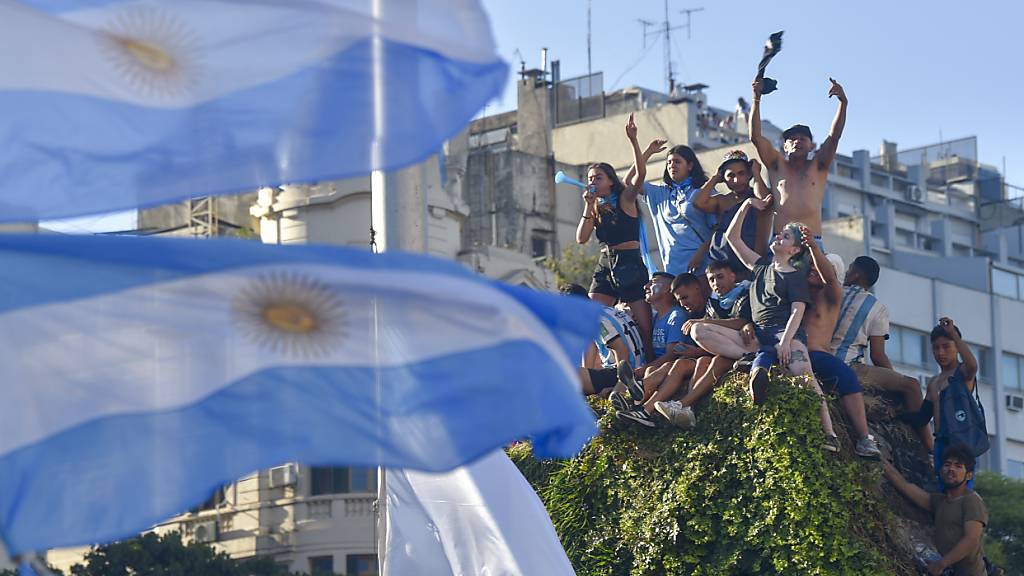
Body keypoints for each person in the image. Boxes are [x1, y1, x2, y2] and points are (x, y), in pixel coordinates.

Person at [725, 198, 839, 451]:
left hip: (785, 335)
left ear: (794, 250)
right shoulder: (760, 266)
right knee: (702, 331)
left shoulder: (795, 274)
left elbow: (798, 309)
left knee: (807, 380)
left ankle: (830, 433)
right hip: (759, 337)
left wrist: (786, 341)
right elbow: (732, 238)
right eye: (779, 234)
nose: (778, 237)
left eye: (785, 237)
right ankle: (754, 360)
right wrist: (746, 206)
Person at [832, 256, 933, 451]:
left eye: (850, 269)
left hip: (821, 358)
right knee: (911, 386)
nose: (846, 273)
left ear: (856, 274)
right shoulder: (877, 308)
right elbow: (878, 356)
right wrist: (894, 381)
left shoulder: (832, 292)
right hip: (849, 367)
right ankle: (929, 446)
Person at [577, 113, 654, 360]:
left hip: (629, 263)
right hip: (605, 264)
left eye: (597, 178)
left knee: (644, 326)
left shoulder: (625, 199)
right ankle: (591, 369)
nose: (592, 182)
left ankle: (649, 364)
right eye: (590, 179)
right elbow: (581, 237)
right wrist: (588, 207)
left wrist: (634, 141)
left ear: (610, 181)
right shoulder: (595, 207)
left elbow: (639, 174)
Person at [801, 237, 881, 459]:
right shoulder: (799, 290)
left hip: (817, 354)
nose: (812, 271)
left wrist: (813, 247)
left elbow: (828, 275)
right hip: (794, 352)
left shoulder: (832, 294)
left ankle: (864, 438)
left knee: (847, 378)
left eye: (817, 268)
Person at [656, 260, 757, 429]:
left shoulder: (746, 292)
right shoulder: (715, 302)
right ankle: (685, 406)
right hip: (731, 352)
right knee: (712, 361)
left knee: (698, 330)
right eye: (712, 280)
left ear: (732, 276)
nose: (716, 283)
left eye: (720, 277)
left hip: (751, 343)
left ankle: (749, 358)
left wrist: (704, 322)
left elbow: (742, 322)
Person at [749, 76, 848, 248]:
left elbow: (834, 137)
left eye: (803, 139)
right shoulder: (776, 165)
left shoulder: (818, 166)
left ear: (812, 146)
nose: (797, 141)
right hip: (781, 239)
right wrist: (756, 99)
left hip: (812, 241)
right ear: (784, 147)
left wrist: (843, 103)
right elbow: (756, 137)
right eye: (792, 139)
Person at [615, 273, 709, 428]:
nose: (646, 287)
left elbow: (672, 354)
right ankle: (638, 405)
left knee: (661, 367)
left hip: (682, 361)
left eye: (653, 283)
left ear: (667, 290)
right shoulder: (656, 316)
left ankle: (638, 402)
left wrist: (641, 370)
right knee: (652, 368)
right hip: (668, 363)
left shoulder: (676, 315)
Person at [882, 444, 988, 576]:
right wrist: (881, 461)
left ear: (968, 475)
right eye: (947, 464)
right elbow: (905, 487)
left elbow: (971, 539)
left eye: (958, 466)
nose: (951, 469)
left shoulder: (972, 500)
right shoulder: (939, 501)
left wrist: (942, 563)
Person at [626, 134, 716, 275]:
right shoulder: (659, 193)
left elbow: (718, 228)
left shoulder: (704, 191)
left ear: (690, 165)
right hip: (673, 268)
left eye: (677, 162)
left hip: (703, 264)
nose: (672, 165)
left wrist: (700, 254)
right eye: (668, 163)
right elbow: (629, 181)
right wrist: (648, 151)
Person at [560, 284, 645, 402]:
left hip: (627, 371)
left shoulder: (596, 320)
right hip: (634, 365)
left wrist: (621, 385)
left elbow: (620, 349)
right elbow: (589, 347)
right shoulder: (607, 310)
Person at [692, 150, 773, 275]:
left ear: (749, 175)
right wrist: (714, 178)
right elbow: (698, 203)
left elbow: (765, 200)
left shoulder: (755, 196)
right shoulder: (722, 200)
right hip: (723, 266)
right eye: (730, 176)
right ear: (723, 178)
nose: (736, 180)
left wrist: (757, 173)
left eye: (742, 174)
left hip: (751, 263)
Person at [926, 318, 979, 487]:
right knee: (942, 493)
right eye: (936, 348)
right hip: (940, 443)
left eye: (946, 346)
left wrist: (953, 335)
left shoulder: (962, 373)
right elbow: (922, 416)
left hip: (961, 441)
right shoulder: (933, 382)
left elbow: (972, 365)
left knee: (961, 491)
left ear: (956, 347)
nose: (940, 352)